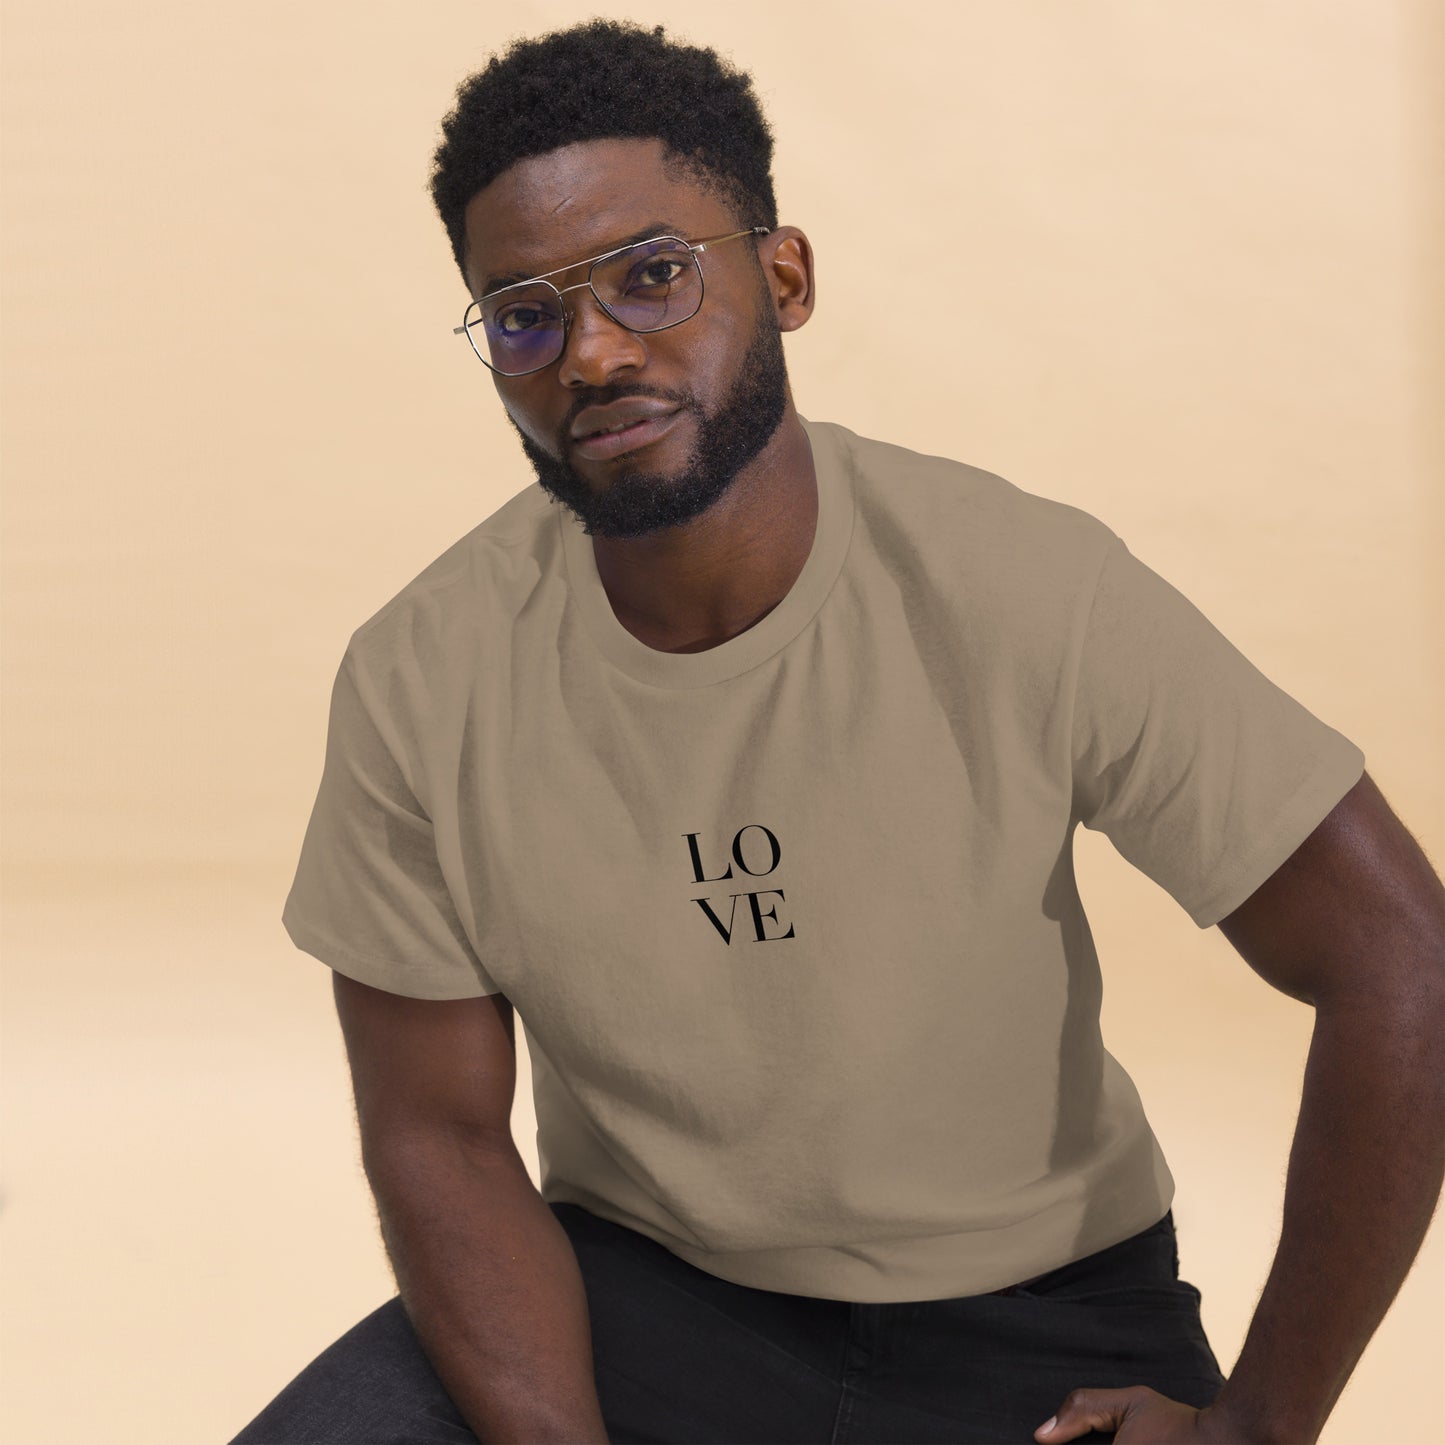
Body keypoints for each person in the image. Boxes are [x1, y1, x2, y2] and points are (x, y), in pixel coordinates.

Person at [231, 19, 1445, 1445]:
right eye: (524, 316)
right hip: (643, 1299)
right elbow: (435, 1131)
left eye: (653, 274)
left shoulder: (1021, 583)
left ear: (784, 276)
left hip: (1035, 1322)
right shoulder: (419, 675)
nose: (594, 351)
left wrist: (1260, 1423)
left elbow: (1399, 957)